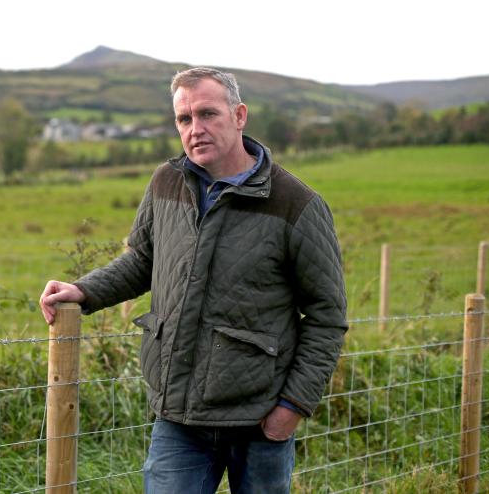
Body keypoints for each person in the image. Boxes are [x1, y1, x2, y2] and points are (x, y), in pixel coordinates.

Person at [39, 67, 347, 494]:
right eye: (184, 119)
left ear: (239, 116)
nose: (195, 129)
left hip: (260, 418)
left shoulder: (296, 204)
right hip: (179, 416)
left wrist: (291, 408)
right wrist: (84, 290)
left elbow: (327, 317)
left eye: (208, 114)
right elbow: (143, 260)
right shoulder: (168, 182)